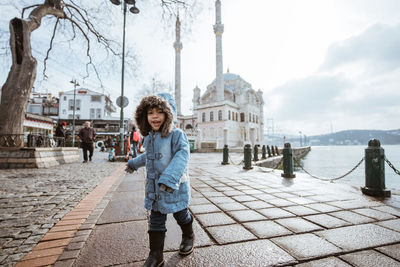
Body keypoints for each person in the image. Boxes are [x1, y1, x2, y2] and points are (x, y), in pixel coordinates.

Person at [126, 93, 193, 267]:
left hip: (174, 187)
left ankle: (188, 235)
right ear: (144, 117)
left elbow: (182, 155)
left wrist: (170, 177)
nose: (154, 116)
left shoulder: (177, 134)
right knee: (155, 219)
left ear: (168, 114)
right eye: (150, 113)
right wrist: (133, 163)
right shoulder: (149, 137)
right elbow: (147, 157)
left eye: (159, 112)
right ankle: (156, 255)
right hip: (155, 189)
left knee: (181, 214)